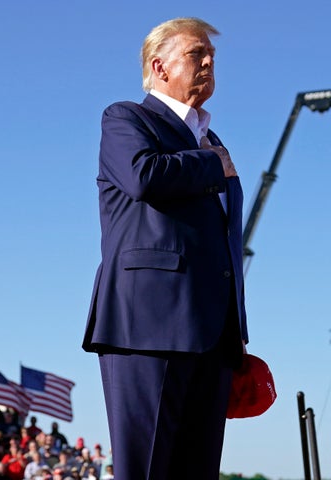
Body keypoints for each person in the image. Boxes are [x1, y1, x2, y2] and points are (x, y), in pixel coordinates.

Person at [81, 17, 248, 480]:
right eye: (196, 54)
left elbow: (225, 242)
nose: (209, 62)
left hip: (213, 336)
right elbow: (142, 176)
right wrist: (210, 163)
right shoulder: (126, 118)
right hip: (146, 327)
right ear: (159, 66)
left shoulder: (212, 141)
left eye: (211, 55)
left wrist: (238, 331)